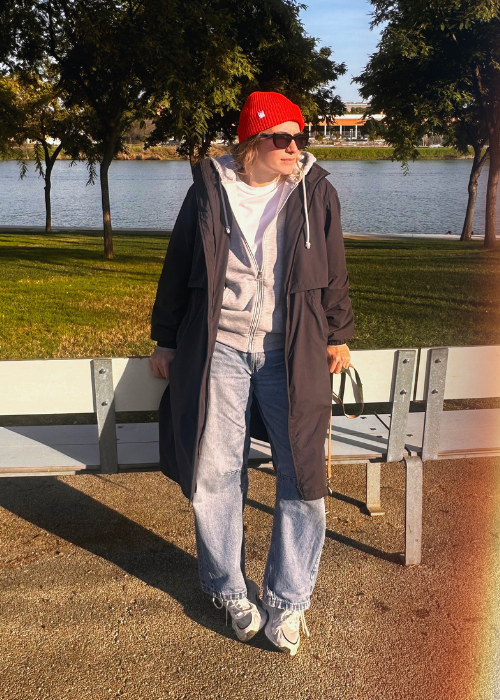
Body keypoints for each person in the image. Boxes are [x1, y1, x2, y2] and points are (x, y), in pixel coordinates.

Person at [149, 91, 354, 656]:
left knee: (301, 473)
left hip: (292, 350)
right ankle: (229, 590)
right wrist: (166, 338)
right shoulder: (209, 190)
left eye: (299, 137)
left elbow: (335, 267)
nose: (294, 148)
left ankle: (288, 600)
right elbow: (177, 263)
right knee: (215, 472)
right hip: (220, 347)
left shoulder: (316, 191)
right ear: (252, 142)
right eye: (281, 138)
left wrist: (338, 332)